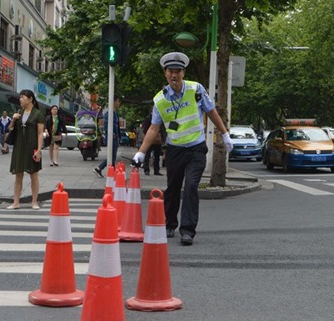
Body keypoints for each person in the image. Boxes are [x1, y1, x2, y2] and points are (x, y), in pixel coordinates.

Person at [133, 52, 234, 246]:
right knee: (172, 188)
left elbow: (211, 111)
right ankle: (170, 224)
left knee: (190, 187)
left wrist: (225, 133)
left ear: (183, 72)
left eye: (178, 71)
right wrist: (141, 152)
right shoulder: (160, 100)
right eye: (171, 71)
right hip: (175, 150)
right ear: (165, 73)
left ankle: (187, 231)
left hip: (196, 148)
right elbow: (154, 128)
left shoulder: (196, 89)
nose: (174, 75)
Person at [7, 89, 45, 210]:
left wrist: (39, 149)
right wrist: (13, 119)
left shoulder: (38, 114)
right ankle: (16, 202)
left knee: (34, 174)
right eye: (20, 97)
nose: (20, 99)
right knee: (18, 174)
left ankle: (34, 202)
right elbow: (10, 129)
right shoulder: (19, 112)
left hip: (32, 146)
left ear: (30, 99)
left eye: (22, 97)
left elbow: (40, 133)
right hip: (19, 146)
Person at [93, 96, 122, 178]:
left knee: (113, 156)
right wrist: (111, 134)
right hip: (112, 137)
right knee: (111, 156)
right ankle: (99, 168)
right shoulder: (109, 114)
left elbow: (117, 126)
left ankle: (111, 171)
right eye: (118, 101)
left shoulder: (115, 113)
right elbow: (106, 125)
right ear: (114, 102)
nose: (119, 103)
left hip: (115, 137)